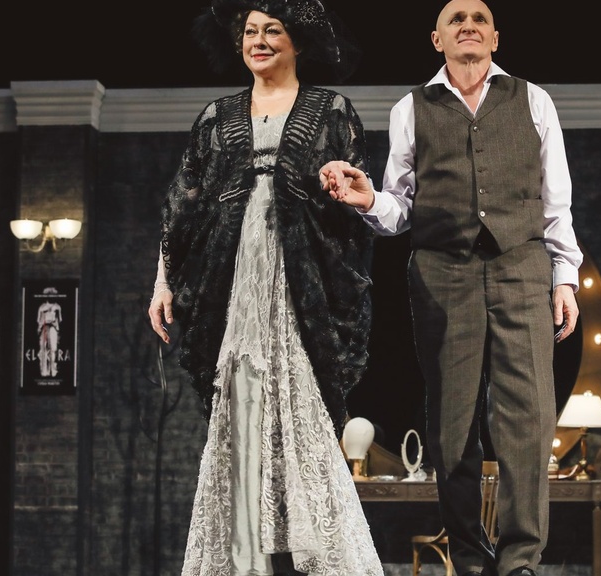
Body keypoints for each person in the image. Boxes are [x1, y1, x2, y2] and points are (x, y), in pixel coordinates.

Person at [320, 1, 583, 574]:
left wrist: (565, 276)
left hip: (521, 265)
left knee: (528, 419)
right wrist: (368, 200)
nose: (469, 24)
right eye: (456, 19)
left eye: (479, 18)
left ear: (495, 37)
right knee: (452, 423)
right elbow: (399, 208)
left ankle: (520, 560)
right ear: (437, 39)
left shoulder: (533, 100)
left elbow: (555, 202)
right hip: (442, 273)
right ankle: (469, 556)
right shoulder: (411, 108)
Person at [147, 1, 382, 574]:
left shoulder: (331, 110)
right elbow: (184, 206)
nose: (259, 40)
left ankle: (323, 555)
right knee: (240, 401)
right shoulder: (217, 116)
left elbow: (357, 199)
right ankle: (242, 554)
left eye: (272, 30)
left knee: (303, 408)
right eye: (250, 31)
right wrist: (162, 282)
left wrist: (338, 185)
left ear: (298, 41)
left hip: (303, 284)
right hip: (234, 286)